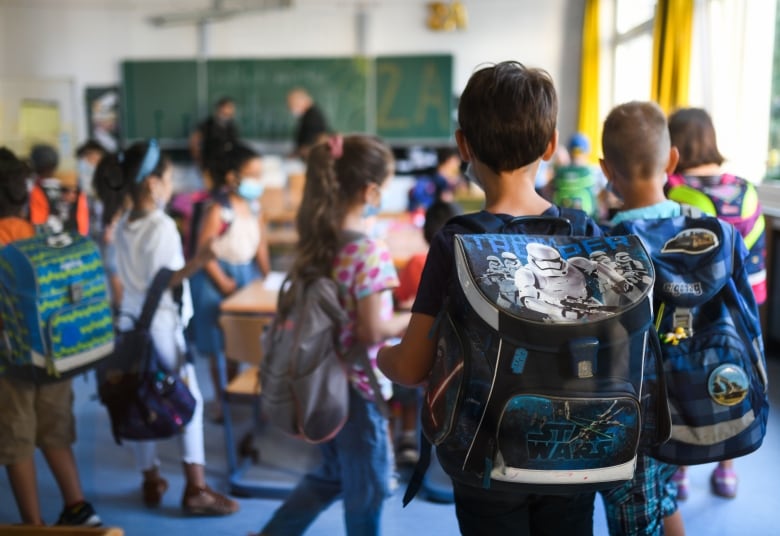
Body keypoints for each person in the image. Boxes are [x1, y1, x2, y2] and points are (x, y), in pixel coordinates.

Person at [377, 61, 600, 536]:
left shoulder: (455, 243)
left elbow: (413, 367)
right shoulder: (584, 234)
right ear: (551, 145)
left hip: (488, 455)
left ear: (464, 146)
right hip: (576, 449)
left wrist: (382, 357)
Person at [252, 134, 410, 536]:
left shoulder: (318, 244)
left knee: (332, 474)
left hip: (319, 385)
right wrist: (414, 319)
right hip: (358, 388)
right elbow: (372, 328)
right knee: (369, 488)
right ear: (370, 190)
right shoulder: (369, 251)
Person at [94, 139, 239, 516]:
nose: (172, 185)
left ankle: (150, 477)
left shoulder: (126, 222)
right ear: (153, 184)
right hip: (158, 327)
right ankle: (196, 487)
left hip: (129, 326)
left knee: (139, 396)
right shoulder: (161, 226)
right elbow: (166, 280)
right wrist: (203, 259)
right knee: (187, 402)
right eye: (170, 178)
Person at [665, 106, 768, 500]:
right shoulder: (745, 189)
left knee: (680, 376)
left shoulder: (673, 189)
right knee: (732, 374)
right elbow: (755, 257)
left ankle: (678, 468)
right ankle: (728, 467)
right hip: (741, 305)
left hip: (688, 305)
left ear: (672, 146)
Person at [0, 147, 102, 527]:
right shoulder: (39, 235)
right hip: (54, 354)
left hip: (9, 363)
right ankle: (78, 506)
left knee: (16, 440)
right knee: (55, 430)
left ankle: (34, 525)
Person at [597, 100, 686, 536]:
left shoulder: (606, 248)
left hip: (635, 415)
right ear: (672, 159)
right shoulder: (701, 233)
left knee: (637, 514)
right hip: (689, 401)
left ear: (604, 170)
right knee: (665, 495)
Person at [189, 143, 271, 422]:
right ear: (231, 177)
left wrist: (268, 276)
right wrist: (222, 281)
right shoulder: (218, 210)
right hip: (216, 280)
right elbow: (203, 252)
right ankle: (221, 396)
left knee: (240, 338)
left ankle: (233, 390)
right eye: (252, 174)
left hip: (244, 274)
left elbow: (261, 246)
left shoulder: (254, 207)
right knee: (220, 344)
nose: (257, 181)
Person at [391, 200, 460, 467]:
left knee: (404, 363)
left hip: (421, 352)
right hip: (453, 357)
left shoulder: (417, 262)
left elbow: (399, 300)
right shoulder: (470, 264)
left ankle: (407, 436)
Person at [28, 143, 89, 235]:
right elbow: (82, 224)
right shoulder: (75, 190)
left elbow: (38, 225)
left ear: (34, 166)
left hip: (50, 246)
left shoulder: (36, 192)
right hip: (77, 245)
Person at [189, 97, 240, 173]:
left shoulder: (231, 126)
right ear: (220, 109)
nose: (231, 111)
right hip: (210, 166)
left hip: (228, 167)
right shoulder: (208, 125)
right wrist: (200, 162)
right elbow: (193, 142)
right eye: (228, 108)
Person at [407, 147, 464, 212]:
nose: (458, 164)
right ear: (448, 160)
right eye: (456, 161)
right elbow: (417, 200)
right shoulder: (427, 178)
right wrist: (438, 197)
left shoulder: (455, 181)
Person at [287, 88, 331, 160]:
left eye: (293, 105)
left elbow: (313, 141)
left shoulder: (313, 117)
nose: (292, 109)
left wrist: (298, 152)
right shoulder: (307, 115)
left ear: (301, 101)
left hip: (312, 157)